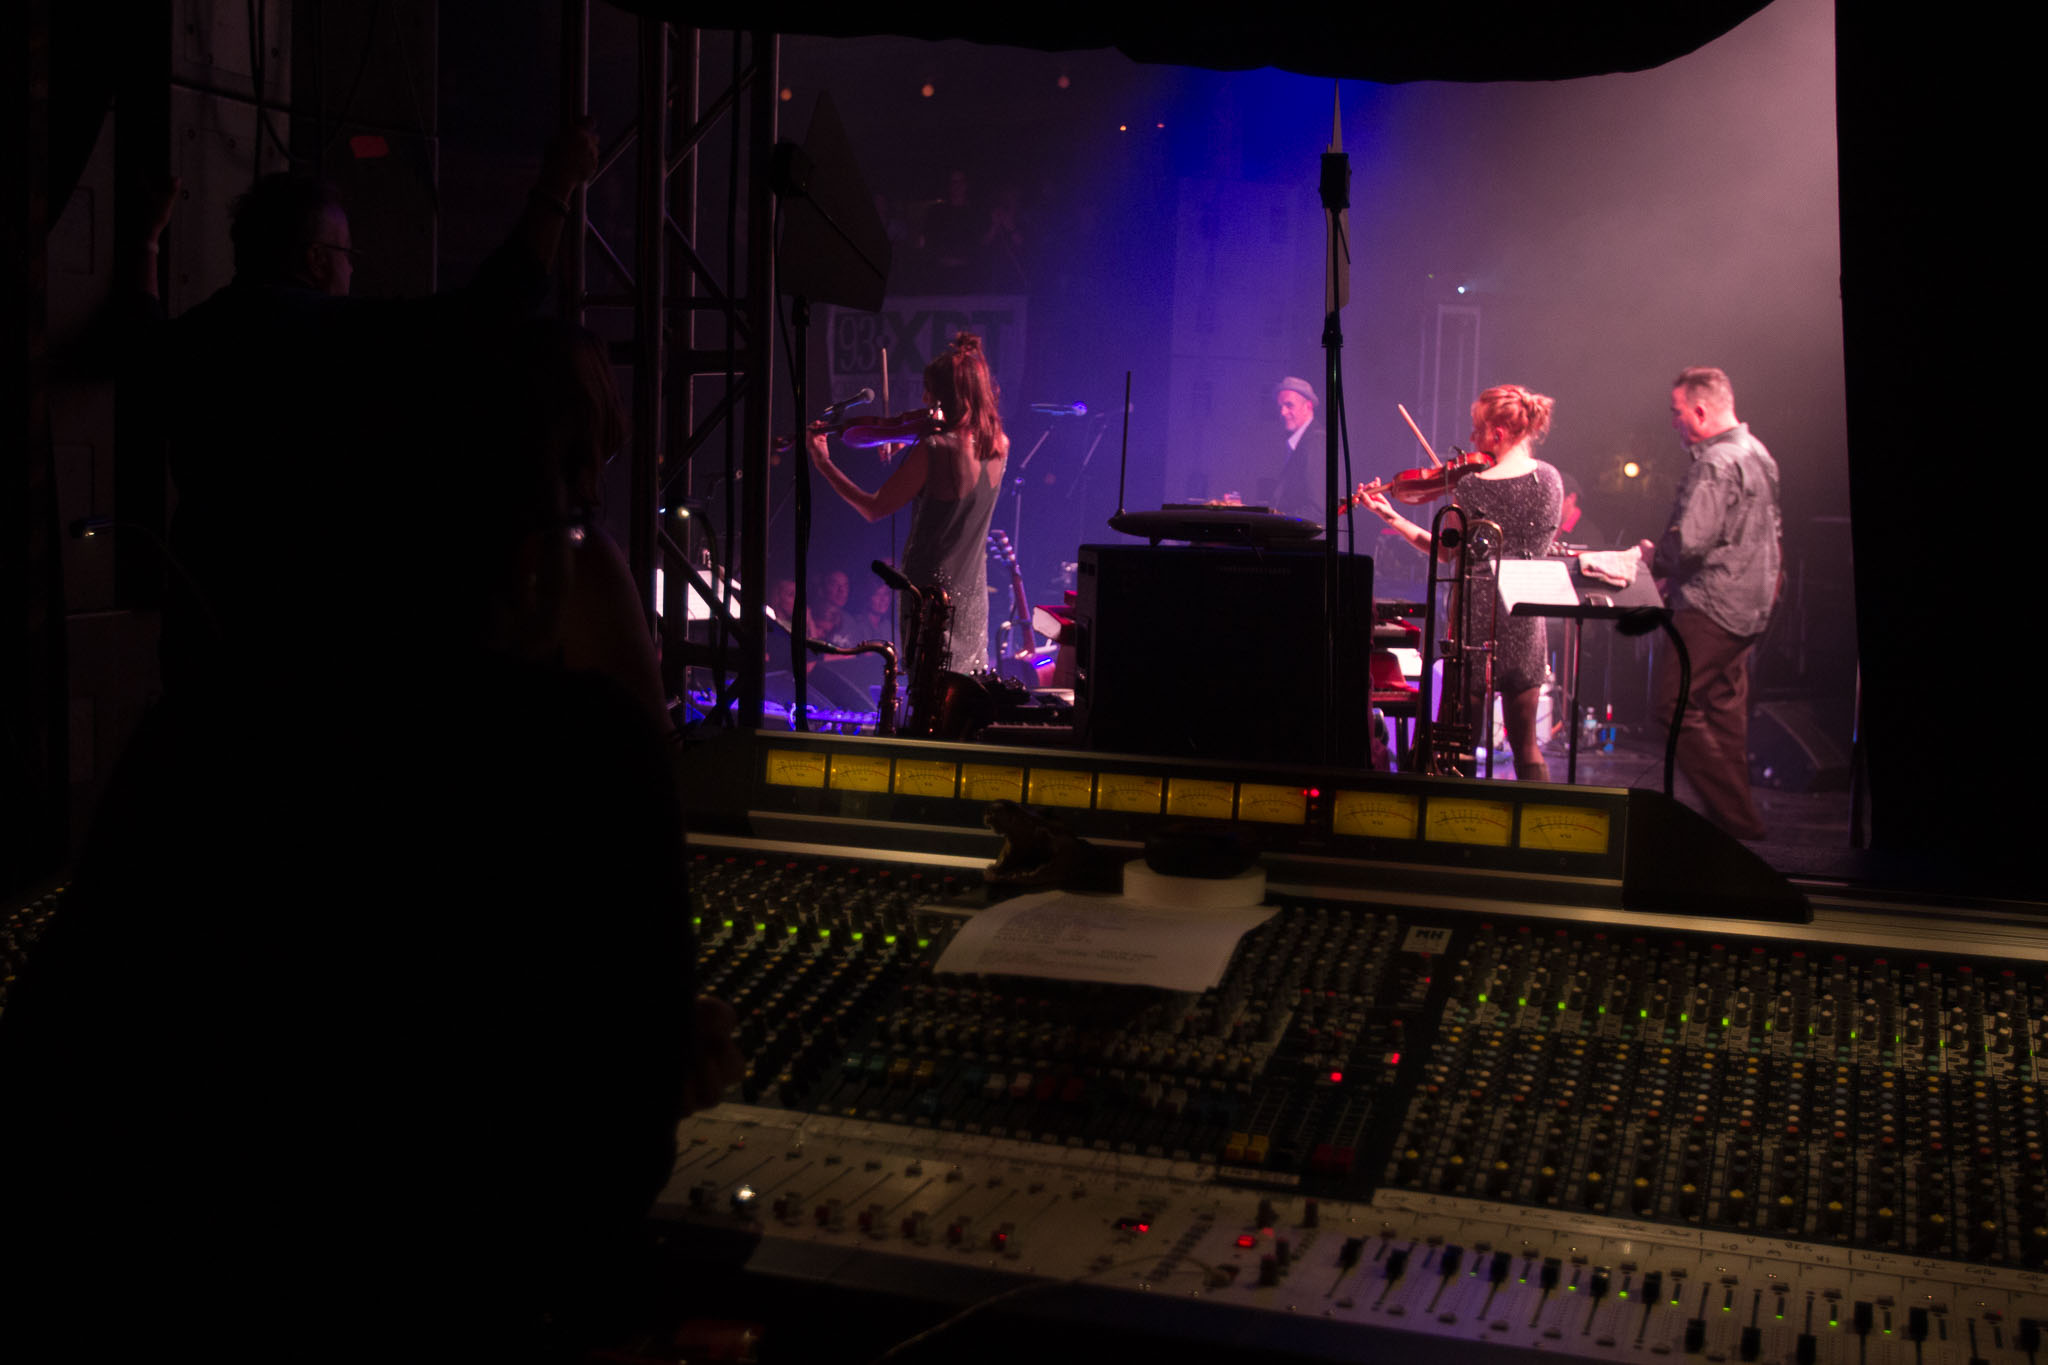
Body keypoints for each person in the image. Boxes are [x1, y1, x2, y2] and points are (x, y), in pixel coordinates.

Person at [137, 122, 601, 694]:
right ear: (315, 260)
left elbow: (139, 340)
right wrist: (557, 185)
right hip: (305, 641)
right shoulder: (335, 338)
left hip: (202, 630)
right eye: (346, 253)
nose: (353, 268)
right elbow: (493, 308)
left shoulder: (197, 339)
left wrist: (147, 242)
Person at [1360, 384, 1564, 781]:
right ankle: (1537, 813)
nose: (1471, 438)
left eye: (1476, 429)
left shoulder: (1472, 486)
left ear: (1497, 433)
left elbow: (1446, 552)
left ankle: (1458, 813)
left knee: (1460, 744)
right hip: (1525, 612)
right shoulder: (1551, 479)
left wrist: (1391, 516)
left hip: (1477, 615)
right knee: (1526, 743)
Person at [1634, 366, 1781, 840]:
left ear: (1699, 411)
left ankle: (1740, 822)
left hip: (1711, 604)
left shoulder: (1715, 462)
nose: (1673, 422)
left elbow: (1690, 543)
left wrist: (1654, 559)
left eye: (1676, 412)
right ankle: (1734, 834)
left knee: (1671, 706)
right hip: (1750, 607)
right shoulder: (1759, 453)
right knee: (1722, 713)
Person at [809, 332, 1009, 673]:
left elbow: (873, 508)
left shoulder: (935, 449)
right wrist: (909, 441)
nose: (924, 398)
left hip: (929, 594)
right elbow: (954, 449)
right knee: (962, 689)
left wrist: (823, 463)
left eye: (929, 390)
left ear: (946, 395)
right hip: (972, 597)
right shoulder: (999, 444)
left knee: (926, 686)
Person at [1260, 375, 1321, 519]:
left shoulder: (1317, 444)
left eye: (1289, 405)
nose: (1282, 412)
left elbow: (1318, 510)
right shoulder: (1303, 444)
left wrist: (1275, 522)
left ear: (1308, 406)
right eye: (1280, 407)